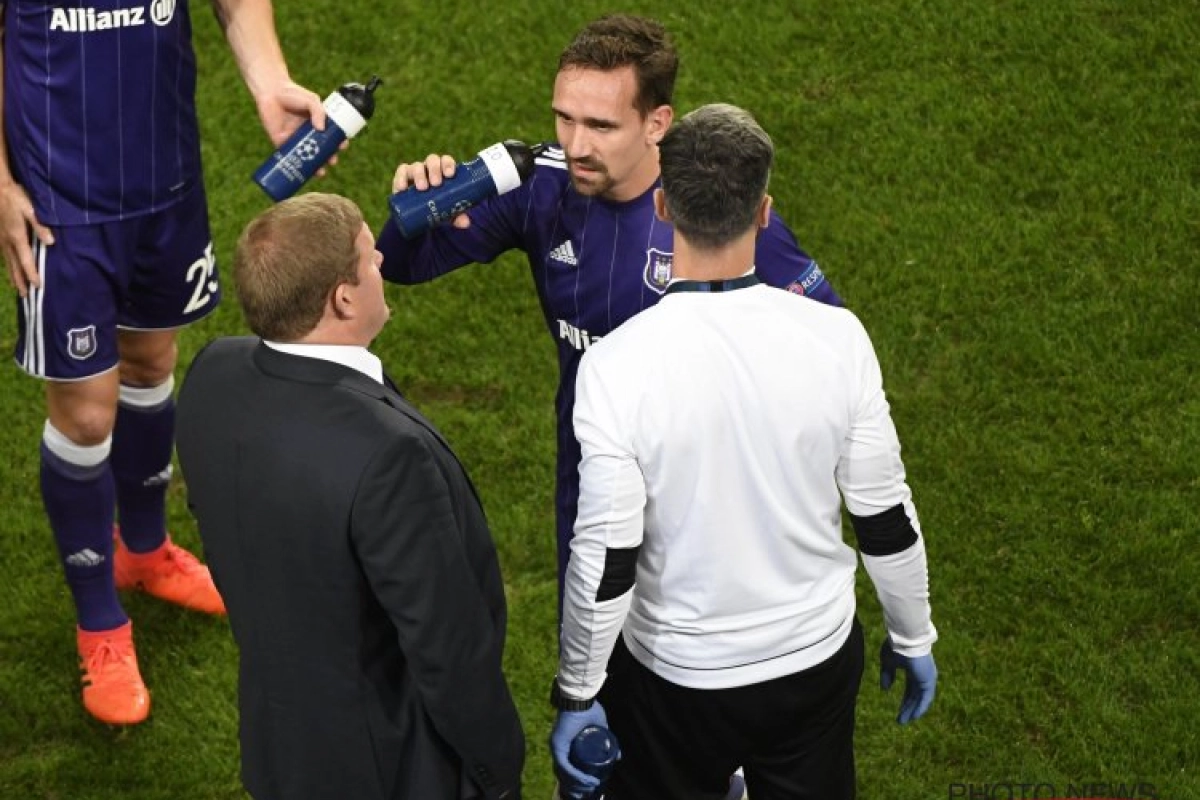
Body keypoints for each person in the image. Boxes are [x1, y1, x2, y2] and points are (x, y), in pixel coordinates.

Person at [376, 14, 844, 607]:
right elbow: (398, 264)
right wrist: (414, 209)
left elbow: (829, 343)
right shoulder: (538, 187)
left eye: (600, 125)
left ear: (657, 123)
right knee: (595, 655)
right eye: (564, 118)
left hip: (706, 488)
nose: (576, 145)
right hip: (590, 478)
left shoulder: (716, 217)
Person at [547, 104, 939, 800]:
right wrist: (913, 634)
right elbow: (884, 519)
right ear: (765, 212)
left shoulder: (618, 366)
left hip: (675, 681)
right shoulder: (839, 339)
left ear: (663, 206)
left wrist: (577, 693)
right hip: (813, 665)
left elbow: (606, 556)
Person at [0, 0, 330, 725]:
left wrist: (269, 79)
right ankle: (100, 625)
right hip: (61, 204)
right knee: (87, 413)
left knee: (152, 359)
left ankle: (144, 550)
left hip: (164, 182)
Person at [174, 193, 525, 800]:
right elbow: (446, 650)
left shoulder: (214, 373)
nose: (383, 260)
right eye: (369, 256)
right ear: (342, 297)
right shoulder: (389, 456)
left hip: (280, 746)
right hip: (392, 768)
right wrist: (497, 774)